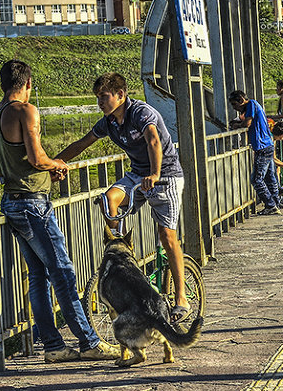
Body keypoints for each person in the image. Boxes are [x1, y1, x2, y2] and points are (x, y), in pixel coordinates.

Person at [0, 60, 118, 363]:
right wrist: (56, 165)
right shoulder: (26, 110)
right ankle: (89, 342)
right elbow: (36, 158)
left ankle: (53, 346)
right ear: (28, 83)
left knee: (38, 275)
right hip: (33, 205)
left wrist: (45, 170)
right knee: (62, 272)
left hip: (12, 201)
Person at [56, 72, 192, 322]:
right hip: (138, 175)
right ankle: (121, 250)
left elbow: (153, 141)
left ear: (120, 95)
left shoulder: (141, 112)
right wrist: (56, 162)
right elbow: (83, 143)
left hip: (166, 175)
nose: (100, 102)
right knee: (109, 199)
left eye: (104, 97)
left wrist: (154, 173)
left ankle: (182, 298)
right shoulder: (108, 122)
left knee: (167, 235)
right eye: (97, 97)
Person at [229, 89, 282, 215]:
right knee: (270, 177)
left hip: (261, 147)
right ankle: (276, 201)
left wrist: (237, 126)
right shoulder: (253, 105)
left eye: (234, 105)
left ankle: (270, 205)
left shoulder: (251, 104)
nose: (234, 108)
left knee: (256, 179)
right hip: (267, 144)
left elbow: (247, 123)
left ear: (241, 100)